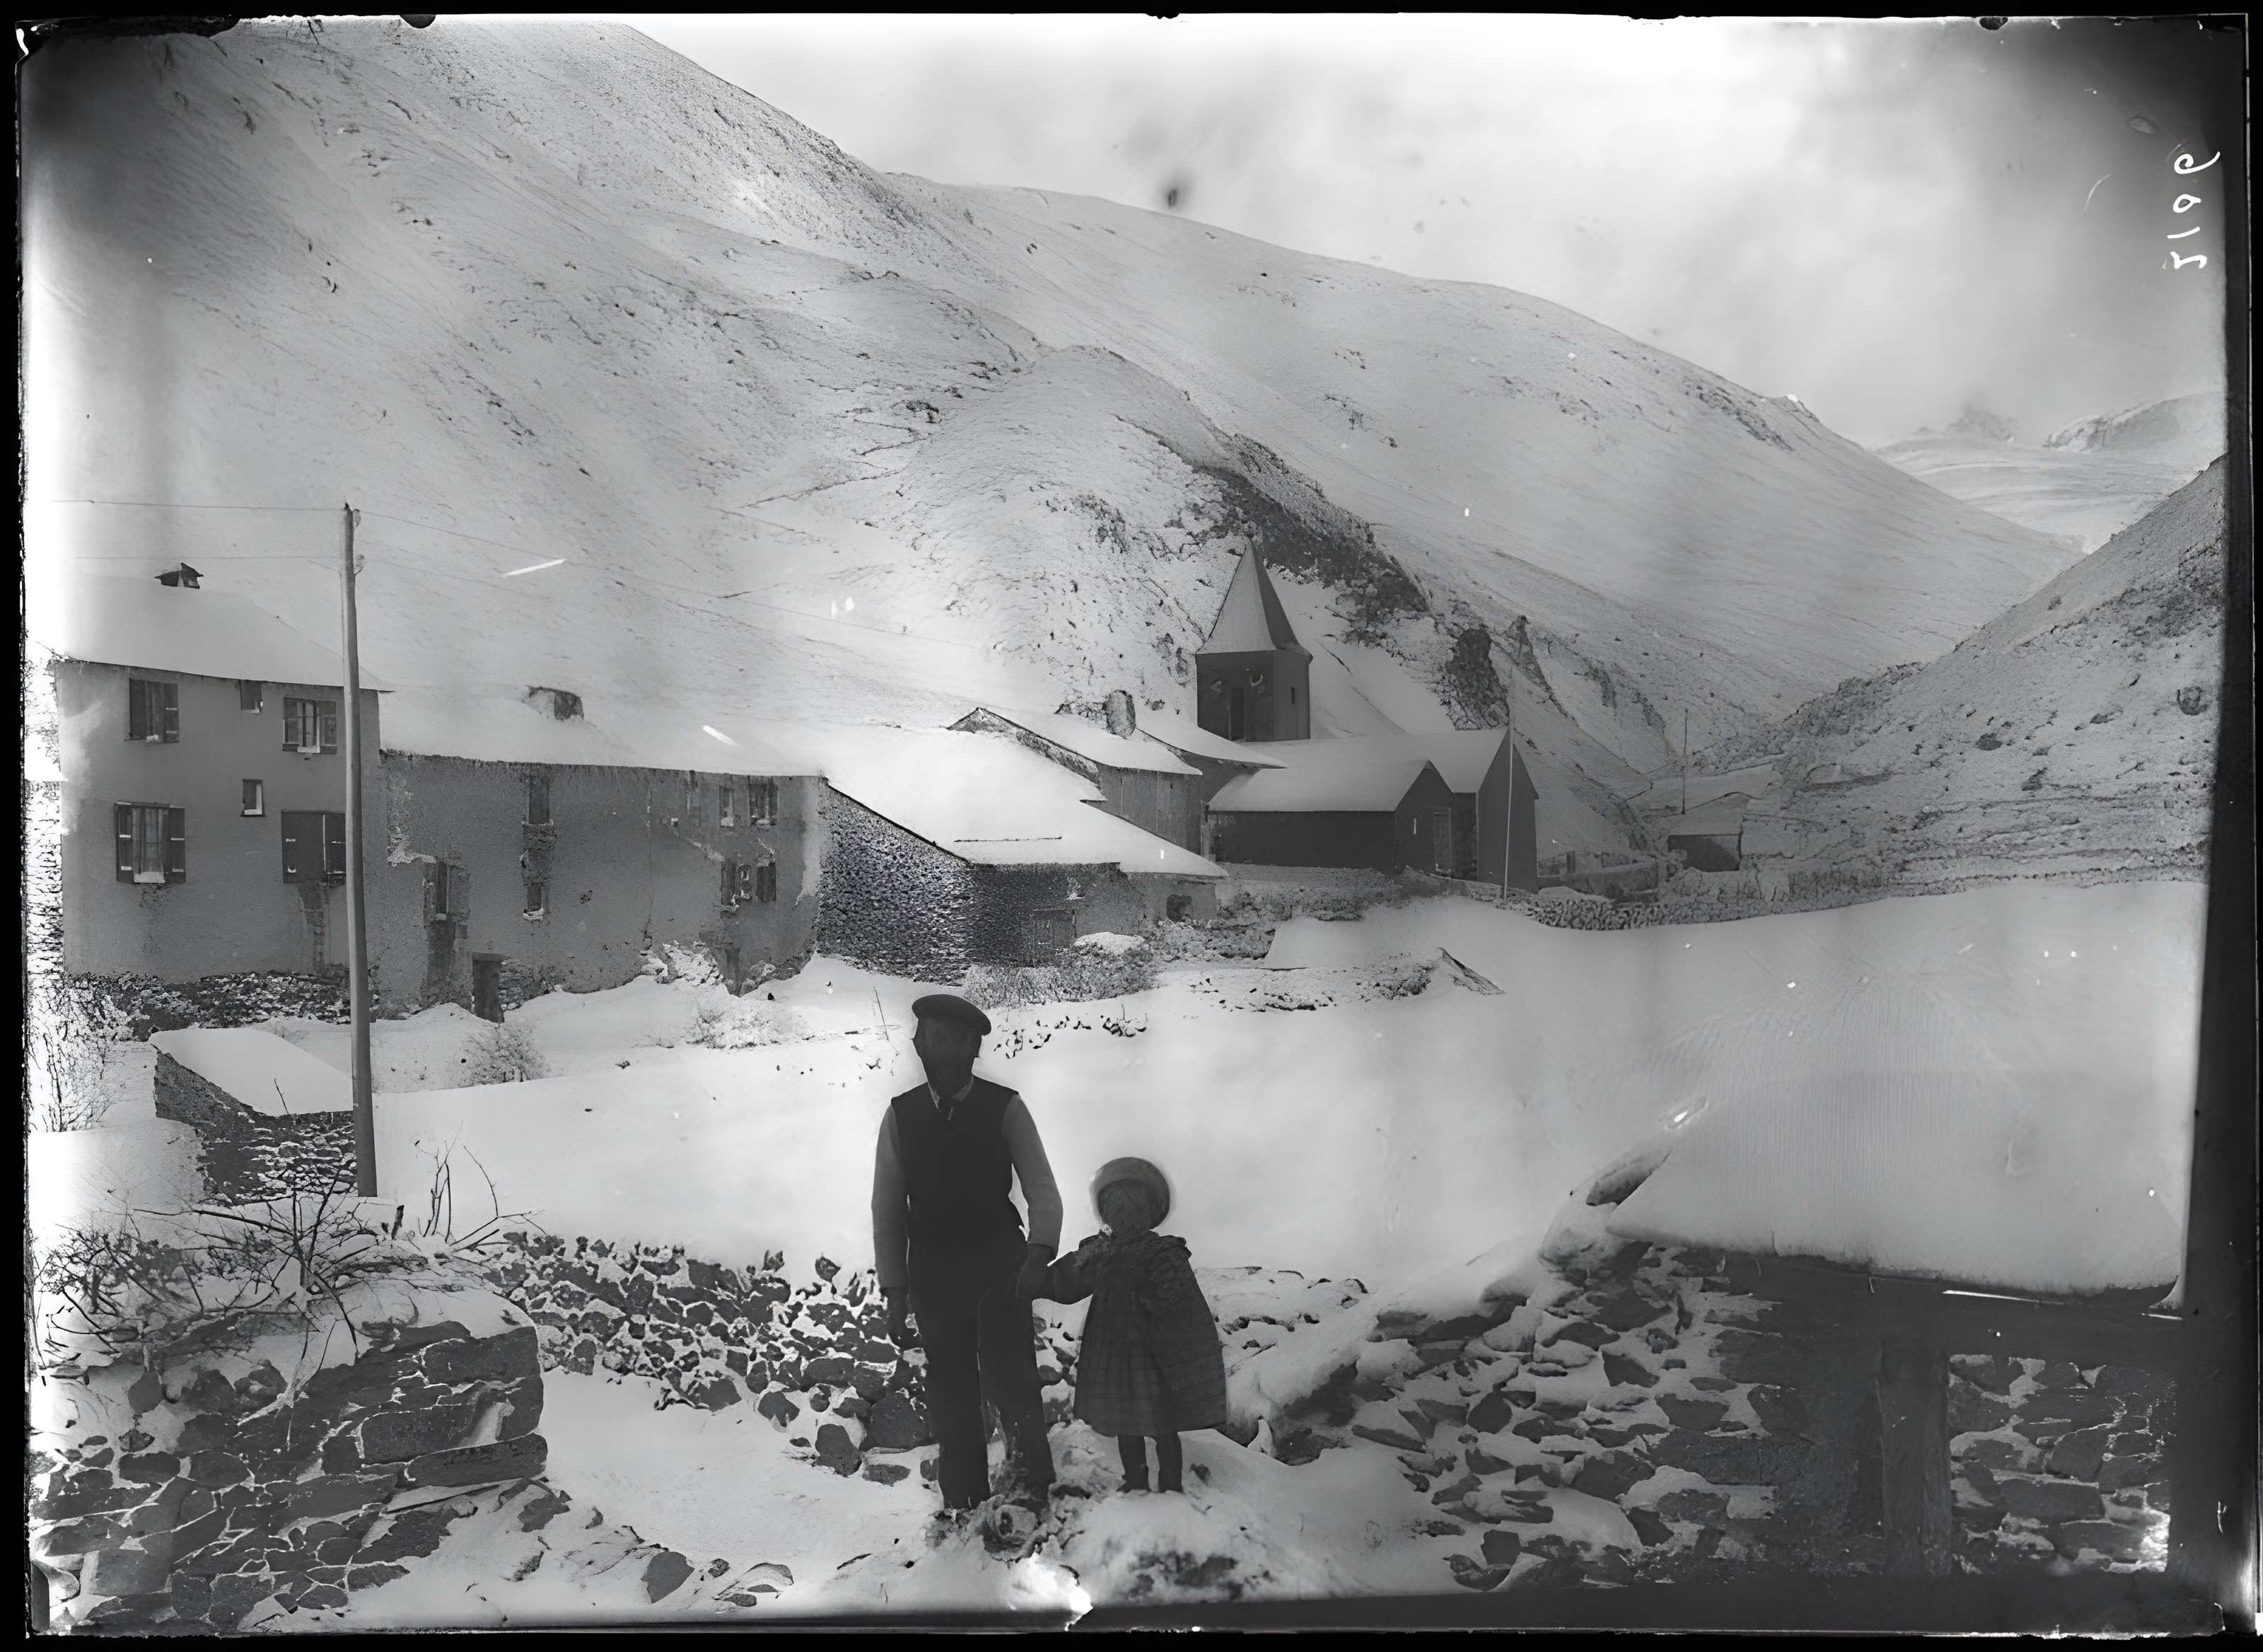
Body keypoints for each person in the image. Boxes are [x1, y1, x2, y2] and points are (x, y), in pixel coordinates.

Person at [870, 993, 1063, 1516]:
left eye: (956, 1040)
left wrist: (1038, 1253)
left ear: (975, 1048)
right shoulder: (901, 1117)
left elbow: (1042, 1189)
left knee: (1011, 1377)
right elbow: (887, 1209)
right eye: (934, 1038)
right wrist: (895, 1293)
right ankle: (963, 1498)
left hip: (999, 1270)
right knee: (951, 1388)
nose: (944, 1050)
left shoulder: (1006, 1107)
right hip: (932, 1275)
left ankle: (1029, 1486)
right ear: (918, 1045)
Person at [1037, 1156, 1228, 1495]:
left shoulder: (1162, 1253)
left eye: (1131, 1203)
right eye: (1115, 1203)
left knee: (1160, 1421)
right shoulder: (1100, 1252)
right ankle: (1136, 1483)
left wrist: (1137, 1289)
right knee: (1127, 1420)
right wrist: (1024, 1279)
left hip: (1151, 1351)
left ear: (1146, 1208)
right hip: (1115, 1351)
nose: (1122, 1210)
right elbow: (1062, 1283)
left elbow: (1173, 1301)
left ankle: (1169, 1487)